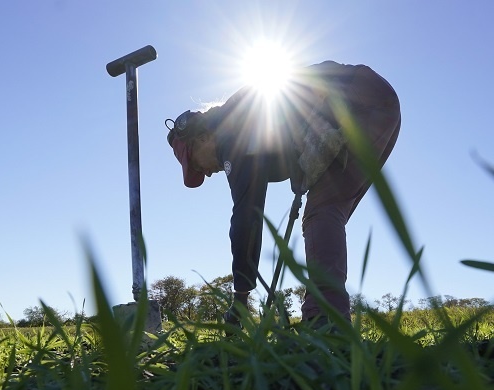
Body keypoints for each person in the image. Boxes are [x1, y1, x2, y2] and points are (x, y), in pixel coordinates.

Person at [166, 60, 401, 327]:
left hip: (356, 99)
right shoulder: (238, 123)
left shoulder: (231, 138)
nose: (206, 174)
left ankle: (326, 320)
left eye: (196, 165)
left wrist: (240, 298)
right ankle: (325, 315)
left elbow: (246, 218)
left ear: (201, 138)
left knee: (322, 211)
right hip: (376, 100)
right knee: (329, 208)